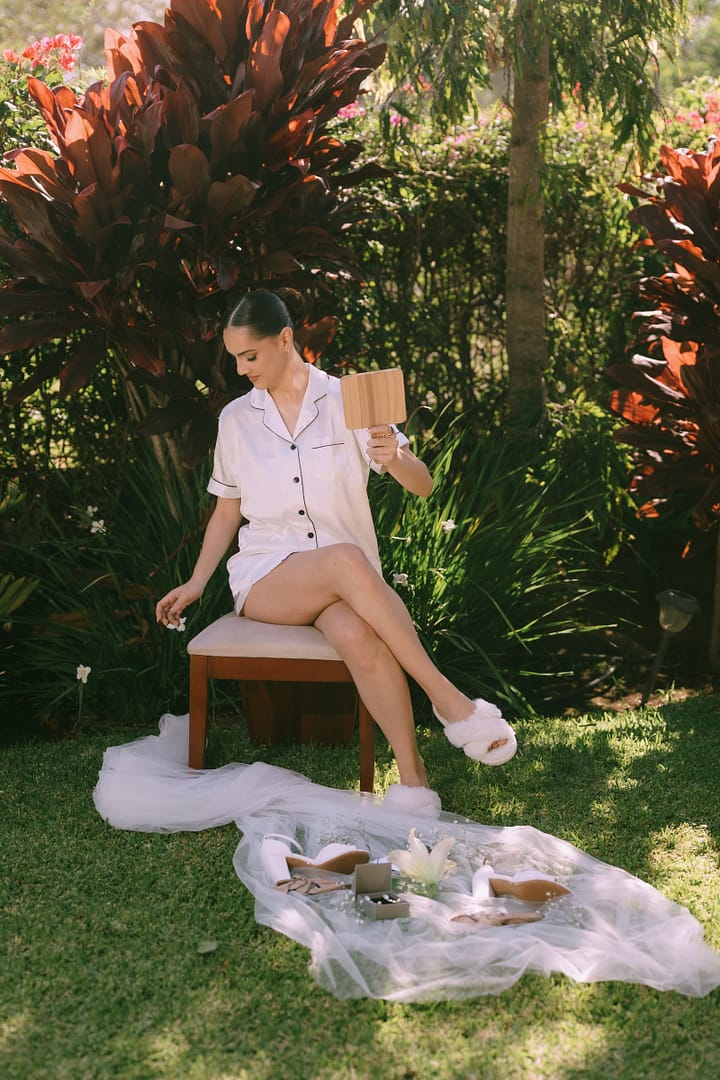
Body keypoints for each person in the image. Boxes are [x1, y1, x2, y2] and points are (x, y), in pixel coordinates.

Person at [155, 289, 517, 814]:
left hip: (346, 584)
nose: (240, 370)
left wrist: (393, 457)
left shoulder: (352, 399)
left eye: (249, 356)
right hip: (267, 578)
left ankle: (414, 785)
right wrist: (196, 583)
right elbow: (227, 511)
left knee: (356, 632)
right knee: (347, 559)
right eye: (234, 358)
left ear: (285, 340)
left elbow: (423, 485)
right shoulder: (236, 418)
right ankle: (449, 701)